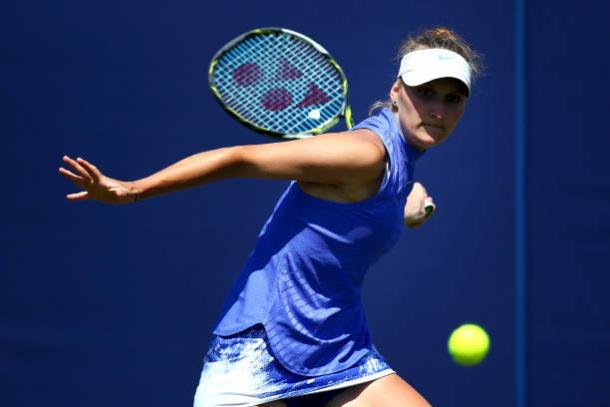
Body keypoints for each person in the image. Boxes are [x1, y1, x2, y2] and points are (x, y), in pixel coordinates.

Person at [59, 27, 480, 407]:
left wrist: (402, 208)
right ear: (396, 91)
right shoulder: (364, 152)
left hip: (336, 350)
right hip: (259, 353)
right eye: (426, 93)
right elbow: (239, 159)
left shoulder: (396, 163)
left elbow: (354, 210)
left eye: (452, 98)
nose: (439, 111)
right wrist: (136, 189)